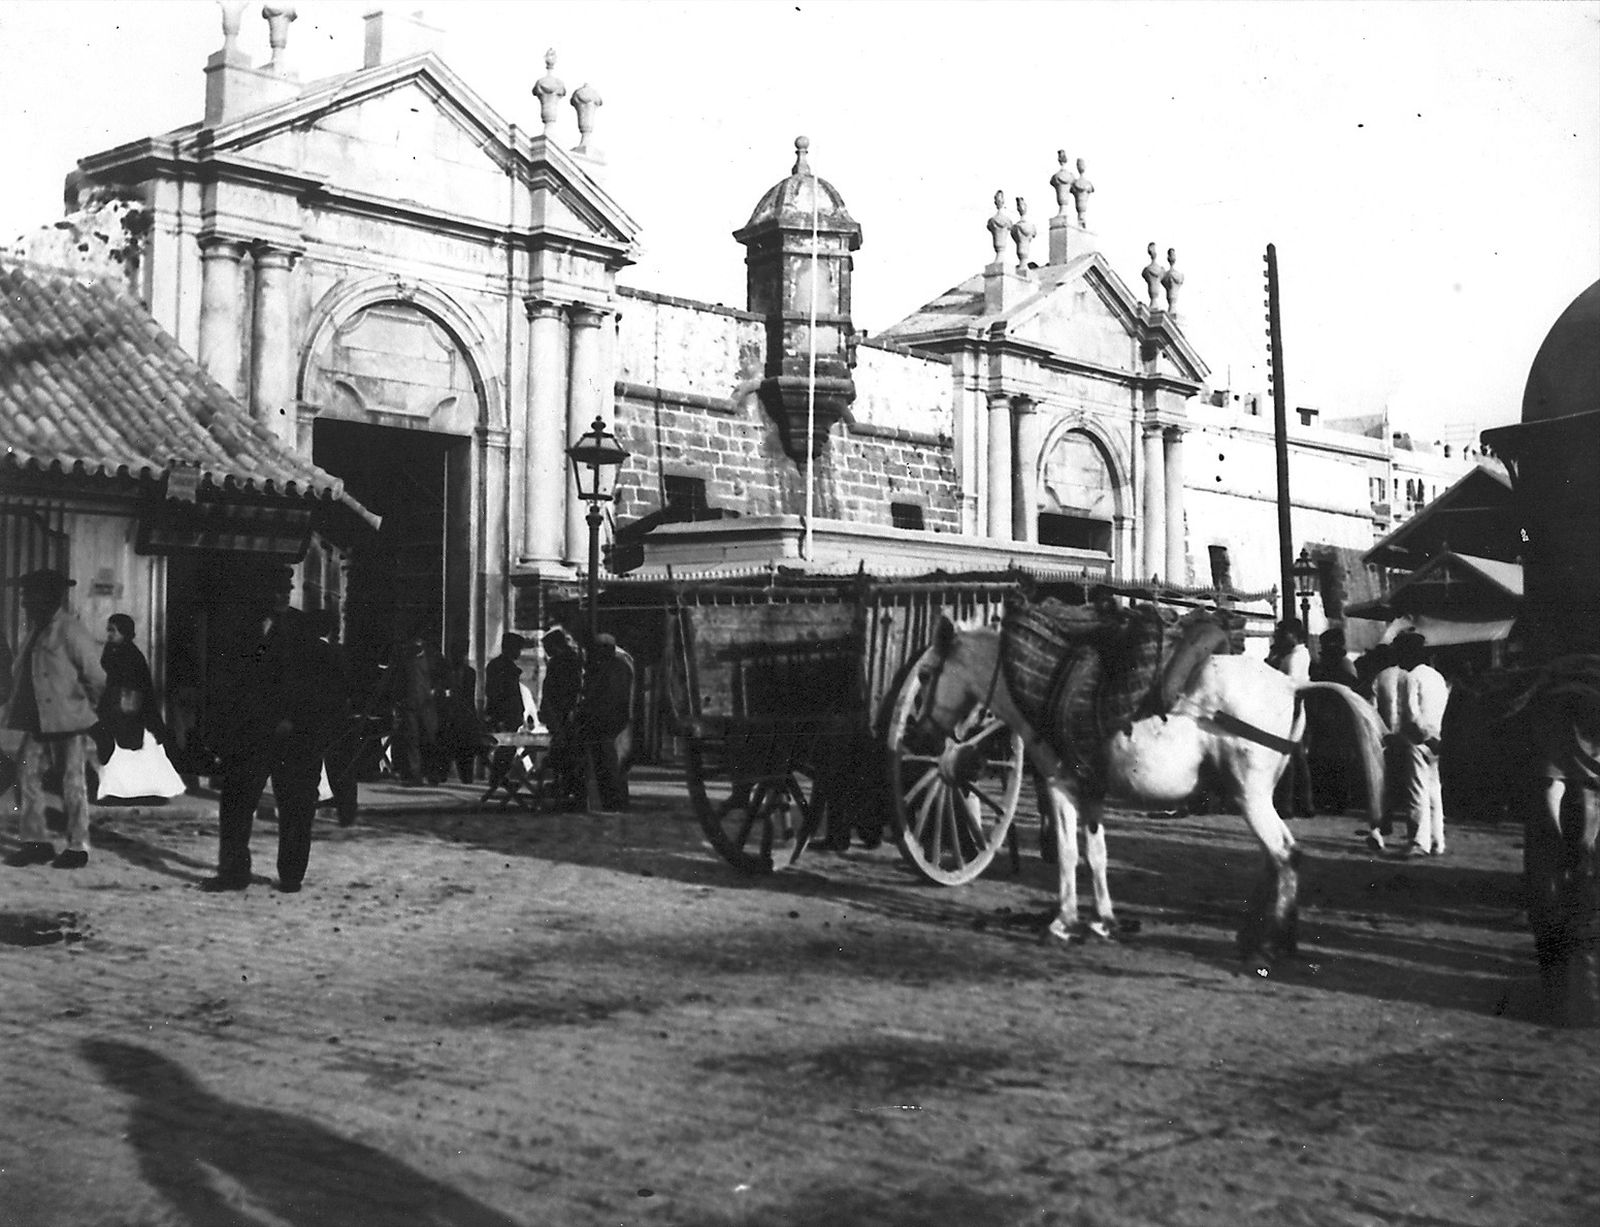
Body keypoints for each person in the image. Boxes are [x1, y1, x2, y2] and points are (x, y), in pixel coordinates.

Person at [202, 567, 346, 894]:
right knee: (237, 805)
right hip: (250, 735)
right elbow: (227, 683)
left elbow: (317, 685)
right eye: (275, 589)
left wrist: (297, 720)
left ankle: (292, 874)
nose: (282, 595)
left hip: (295, 737)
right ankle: (234, 872)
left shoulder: (302, 628)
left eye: (287, 588)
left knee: (296, 808)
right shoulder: (240, 629)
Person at [1, 569, 105, 869]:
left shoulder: (70, 630)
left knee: (72, 782)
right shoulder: (35, 631)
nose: (23, 603)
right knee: (25, 778)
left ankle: (78, 845)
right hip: (38, 721)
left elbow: (96, 677)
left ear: (46, 597)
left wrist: (84, 710)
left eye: (28, 596)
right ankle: (37, 843)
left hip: (68, 722)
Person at [95, 614, 184, 803]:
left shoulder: (131, 655)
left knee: (136, 751)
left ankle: (143, 791)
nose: (109, 634)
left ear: (124, 632)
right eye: (109, 630)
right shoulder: (113, 650)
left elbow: (139, 688)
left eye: (114, 630)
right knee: (118, 752)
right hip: (117, 710)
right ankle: (119, 791)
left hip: (131, 712)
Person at [1395, 630, 1450, 856]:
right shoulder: (1437, 676)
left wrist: (1423, 736)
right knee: (1434, 790)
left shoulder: (1411, 677)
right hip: (1438, 736)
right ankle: (1438, 840)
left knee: (1417, 790)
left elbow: (1411, 713)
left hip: (1418, 739)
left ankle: (1419, 841)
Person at [308, 610, 358, 827]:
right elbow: (349, 685)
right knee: (342, 767)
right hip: (337, 718)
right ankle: (347, 814)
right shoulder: (338, 654)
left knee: (312, 766)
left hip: (313, 718)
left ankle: (308, 810)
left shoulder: (308, 652)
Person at [574, 633, 635, 812]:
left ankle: (614, 802)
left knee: (610, 764)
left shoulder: (616, 667)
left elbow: (611, 697)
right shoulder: (609, 666)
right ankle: (610, 801)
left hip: (609, 723)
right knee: (606, 764)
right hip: (607, 723)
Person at [1307, 627, 1360, 813]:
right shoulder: (1339, 665)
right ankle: (1332, 799)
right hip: (1332, 718)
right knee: (1332, 760)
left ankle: (1336, 800)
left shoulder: (1342, 666)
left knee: (1334, 760)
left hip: (1335, 718)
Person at [1266, 618, 1315, 819]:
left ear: (1293, 635)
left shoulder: (1297, 657)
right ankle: (1305, 803)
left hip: (1290, 707)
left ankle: (1287, 804)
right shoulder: (1294, 654)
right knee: (1297, 757)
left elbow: (1290, 684)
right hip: (1291, 707)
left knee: (1287, 756)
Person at [389, 624, 442, 786]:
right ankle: (414, 775)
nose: (415, 646)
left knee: (431, 739)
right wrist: (398, 702)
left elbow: (442, 678)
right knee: (412, 740)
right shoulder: (404, 660)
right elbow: (397, 682)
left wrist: (436, 691)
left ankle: (432, 774)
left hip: (428, 706)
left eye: (418, 644)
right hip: (409, 706)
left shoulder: (433, 658)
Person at [538, 626, 586, 808]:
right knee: (565, 752)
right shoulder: (573, 660)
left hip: (562, 713)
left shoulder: (561, 662)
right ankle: (567, 786)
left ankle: (566, 786)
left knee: (564, 752)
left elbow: (554, 690)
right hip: (563, 712)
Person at [1368, 642, 1409, 851]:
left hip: (1386, 738)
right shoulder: (1409, 675)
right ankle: (1415, 830)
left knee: (1386, 783)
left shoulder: (1379, 678)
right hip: (1410, 736)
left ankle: (1384, 823)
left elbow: (1373, 710)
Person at [482, 633, 528, 794]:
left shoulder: (502, 666)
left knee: (507, 750)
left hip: (511, 715)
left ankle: (499, 779)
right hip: (505, 715)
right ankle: (497, 780)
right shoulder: (501, 667)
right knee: (505, 749)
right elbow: (496, 693)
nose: (520, 653)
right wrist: (499, 716)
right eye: (518, 649)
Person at [439, 642, 480, 785]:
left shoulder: (470, 673)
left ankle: (466, 777)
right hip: (449, 715)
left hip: (463, 717)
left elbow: (469, 697)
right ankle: (442, 776)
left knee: (465, 750)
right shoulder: (445, 672)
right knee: (447, 749)